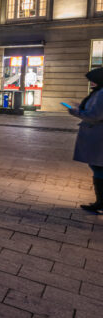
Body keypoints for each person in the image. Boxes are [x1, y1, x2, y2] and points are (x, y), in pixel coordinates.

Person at [69, 67, 103, 212]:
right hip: (97, 134)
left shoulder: (101, 94)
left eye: (93, 80)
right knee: (97, 166)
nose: (91, 83)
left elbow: (95, 115)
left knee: (99, 167)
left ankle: (100, 202)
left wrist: (76, 111)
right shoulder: (98, 93)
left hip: (98, 134)